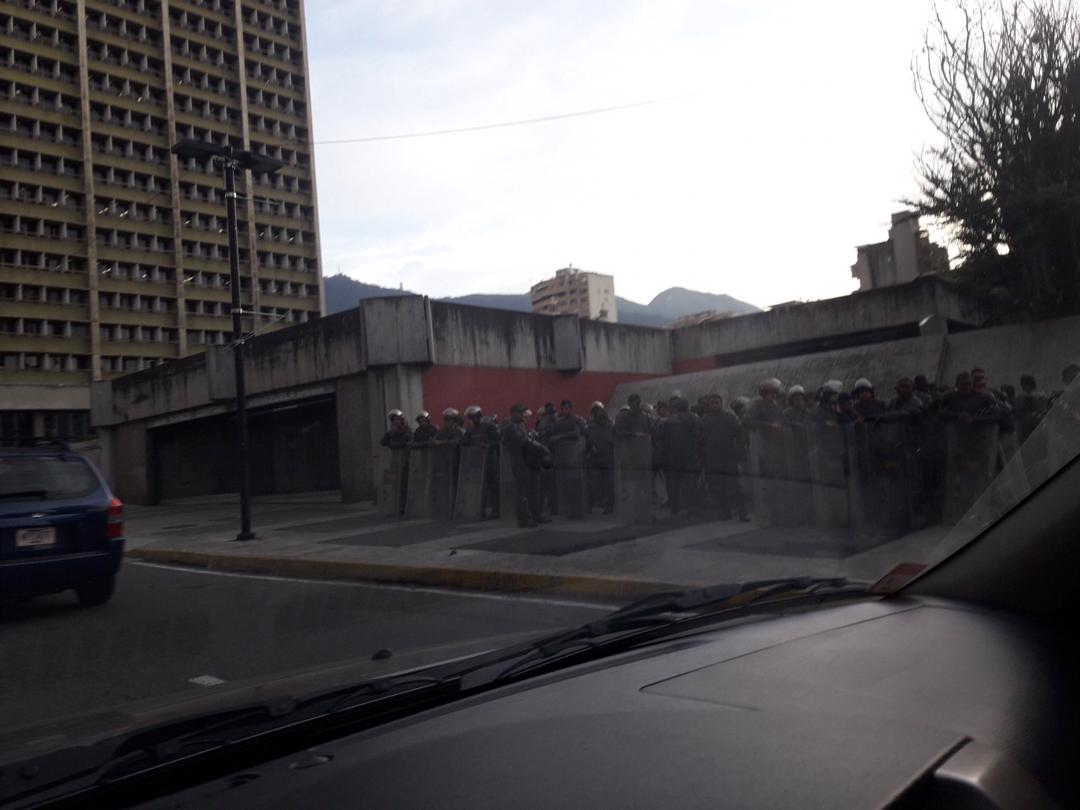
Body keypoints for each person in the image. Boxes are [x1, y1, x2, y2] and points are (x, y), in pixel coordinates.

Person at [500, 403, 549, 528]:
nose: (523, 415)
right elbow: (524, 441)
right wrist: (541, 447)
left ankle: (535, 514)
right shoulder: (509, 427)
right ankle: (524, 519)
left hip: (528, 461)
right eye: (520, 412)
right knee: (524, 491)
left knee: (533, 489)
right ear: (513, 413)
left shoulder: (519, 424)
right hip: (520, 462)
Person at [699, 394, 747, 520]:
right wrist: (703, 453)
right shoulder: (704, 420)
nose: (714, 405)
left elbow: (740, 434)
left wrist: (739, 450)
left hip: (729, 457)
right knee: (717, 486)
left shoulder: (729, 417)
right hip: (712, 458)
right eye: (712, 403)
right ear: (708, 405)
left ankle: (743, 512)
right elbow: (700, 439)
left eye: (717, 402)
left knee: (735, 485)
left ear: (721, 403)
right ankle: (725, 511)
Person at [663, 396, 700, 516]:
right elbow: (697, 436)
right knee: (691, 482)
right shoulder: (693, 418)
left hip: (673, 457)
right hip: (689, 455)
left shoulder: (669, 420)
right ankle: (691, 507)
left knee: (674, 483)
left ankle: (675, 507)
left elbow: (666, 440)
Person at [462, 405, 500, 519]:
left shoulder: (488, 427)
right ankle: (478, 510)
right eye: (471, 418)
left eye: (475, 417)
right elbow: (464, 442)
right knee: (478, 487)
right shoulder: (470, 430)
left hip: (490, 462)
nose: (473, 420)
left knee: (493, 487)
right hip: (476, 463)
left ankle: (496, 510)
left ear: (479, 416)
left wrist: (487, 445)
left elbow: (497, 441)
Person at [379, 409, 412, 515]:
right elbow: (382, 442)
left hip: (405, 460)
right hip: (395, 461)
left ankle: (404, 507)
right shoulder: (392, 431)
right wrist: (390, 433)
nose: (396, 422)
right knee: (394, 484)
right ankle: (395, 505)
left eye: (397, 419)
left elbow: (402, 443)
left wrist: (392, 444)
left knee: (404, 484)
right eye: (394, 419)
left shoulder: (406, 430)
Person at [586, 404, 615, 514]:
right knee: (593, 484)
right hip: (596, 459)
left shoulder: (611, 428)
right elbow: (588, 444)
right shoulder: (592, 429)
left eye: (603, 417)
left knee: (609, 484)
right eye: (600, 417)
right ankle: (589, 505)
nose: (602, 419)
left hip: (608, 459)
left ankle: (610, 505)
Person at [1014, 374, 1050, 444]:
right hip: (1038, 431)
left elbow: (1018, 417)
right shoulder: (1042, 396)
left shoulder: (1020, 398)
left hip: (1027, 432)